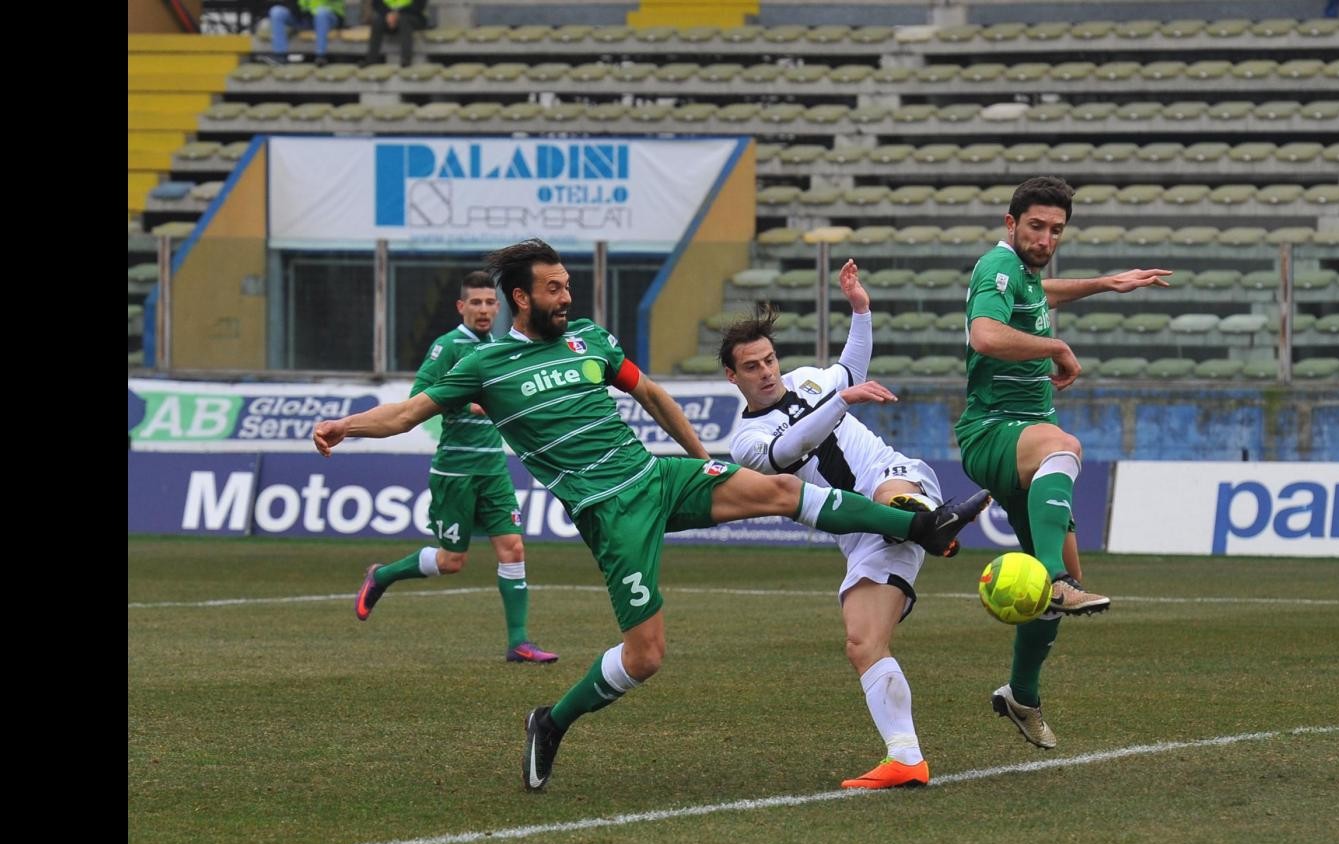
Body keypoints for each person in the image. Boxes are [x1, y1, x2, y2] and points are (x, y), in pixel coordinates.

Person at [313, 239, 990, 792]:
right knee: (647, 655)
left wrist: (702, 463)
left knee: (779, 493)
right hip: (610, 514)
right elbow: (405, 412)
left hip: (658, 477)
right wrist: (347, 425)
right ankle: (550, 721)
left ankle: (925, 526)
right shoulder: (483, 365)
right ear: (522, 297)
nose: (567, 296)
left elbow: (653, 394)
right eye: (554, 288)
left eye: (568, 285)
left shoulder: (587, 340)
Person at [955, 176, 1171, 749]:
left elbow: (1042, 295)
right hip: (993, 430)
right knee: (1064, 446)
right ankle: (1051, 579)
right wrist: (1055, 347)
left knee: (1064, 570)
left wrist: (1106, 283)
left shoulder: (1024, 276)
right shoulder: (995, 268)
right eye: (1036, 227)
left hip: (1017, 435)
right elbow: (984, 335)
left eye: (1056, 230)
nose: (1046, 239)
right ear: (1010, 224)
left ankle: (1020, 695)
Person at [723, 260, 944, 790]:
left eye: (770, 359)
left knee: (891, 495)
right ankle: (906, 758)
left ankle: (924, 522)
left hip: (896, 479)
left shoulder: (806, 380)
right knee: (862, 642)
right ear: (732, 377)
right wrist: (841, 400)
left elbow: (851, 370)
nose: (768, 371)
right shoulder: (745, 443)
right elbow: (789, 448)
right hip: (861, 536)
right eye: (752, 367)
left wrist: (860, 309)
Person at [352, 271, 558, 664]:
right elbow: (418, 398)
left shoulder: (501, 347)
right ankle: (382, 576)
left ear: (499, 307)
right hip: (456, 469)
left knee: (513, 549)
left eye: (489, 302)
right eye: (475, 303)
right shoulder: (447, 347)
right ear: (461, 307)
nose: (483, 310)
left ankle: (519, 642)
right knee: (452, 561)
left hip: (493, 466)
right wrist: (467, 402)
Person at [264, 0, 345, 65]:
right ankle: (280, 56)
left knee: (321, 13)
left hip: (328, 17)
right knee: (276, 12)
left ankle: (321, 56)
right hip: (303, 18)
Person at [366, 0, 428, 69]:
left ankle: (406, 60)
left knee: (404, 20)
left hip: (414, 16)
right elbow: (376, 3)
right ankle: (371, 61)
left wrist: (397, 14)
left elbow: (419, 6)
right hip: (389, 16)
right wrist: (388, 14)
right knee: (377, 22)